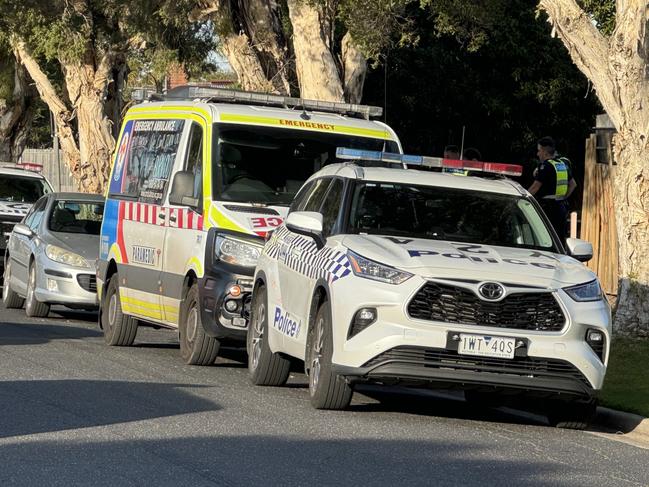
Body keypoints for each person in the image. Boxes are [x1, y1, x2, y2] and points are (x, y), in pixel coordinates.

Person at [527, 136, 577, 241]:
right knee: (558, 238)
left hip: (548, 208)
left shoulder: (545, 166)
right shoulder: (562, 164)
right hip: (561, 207)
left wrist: (523, 198)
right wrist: (563, 197)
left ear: (545, 152)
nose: (537, 154)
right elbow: (573, 184)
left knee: (545, 238)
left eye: (539, 151)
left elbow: (535, 187)